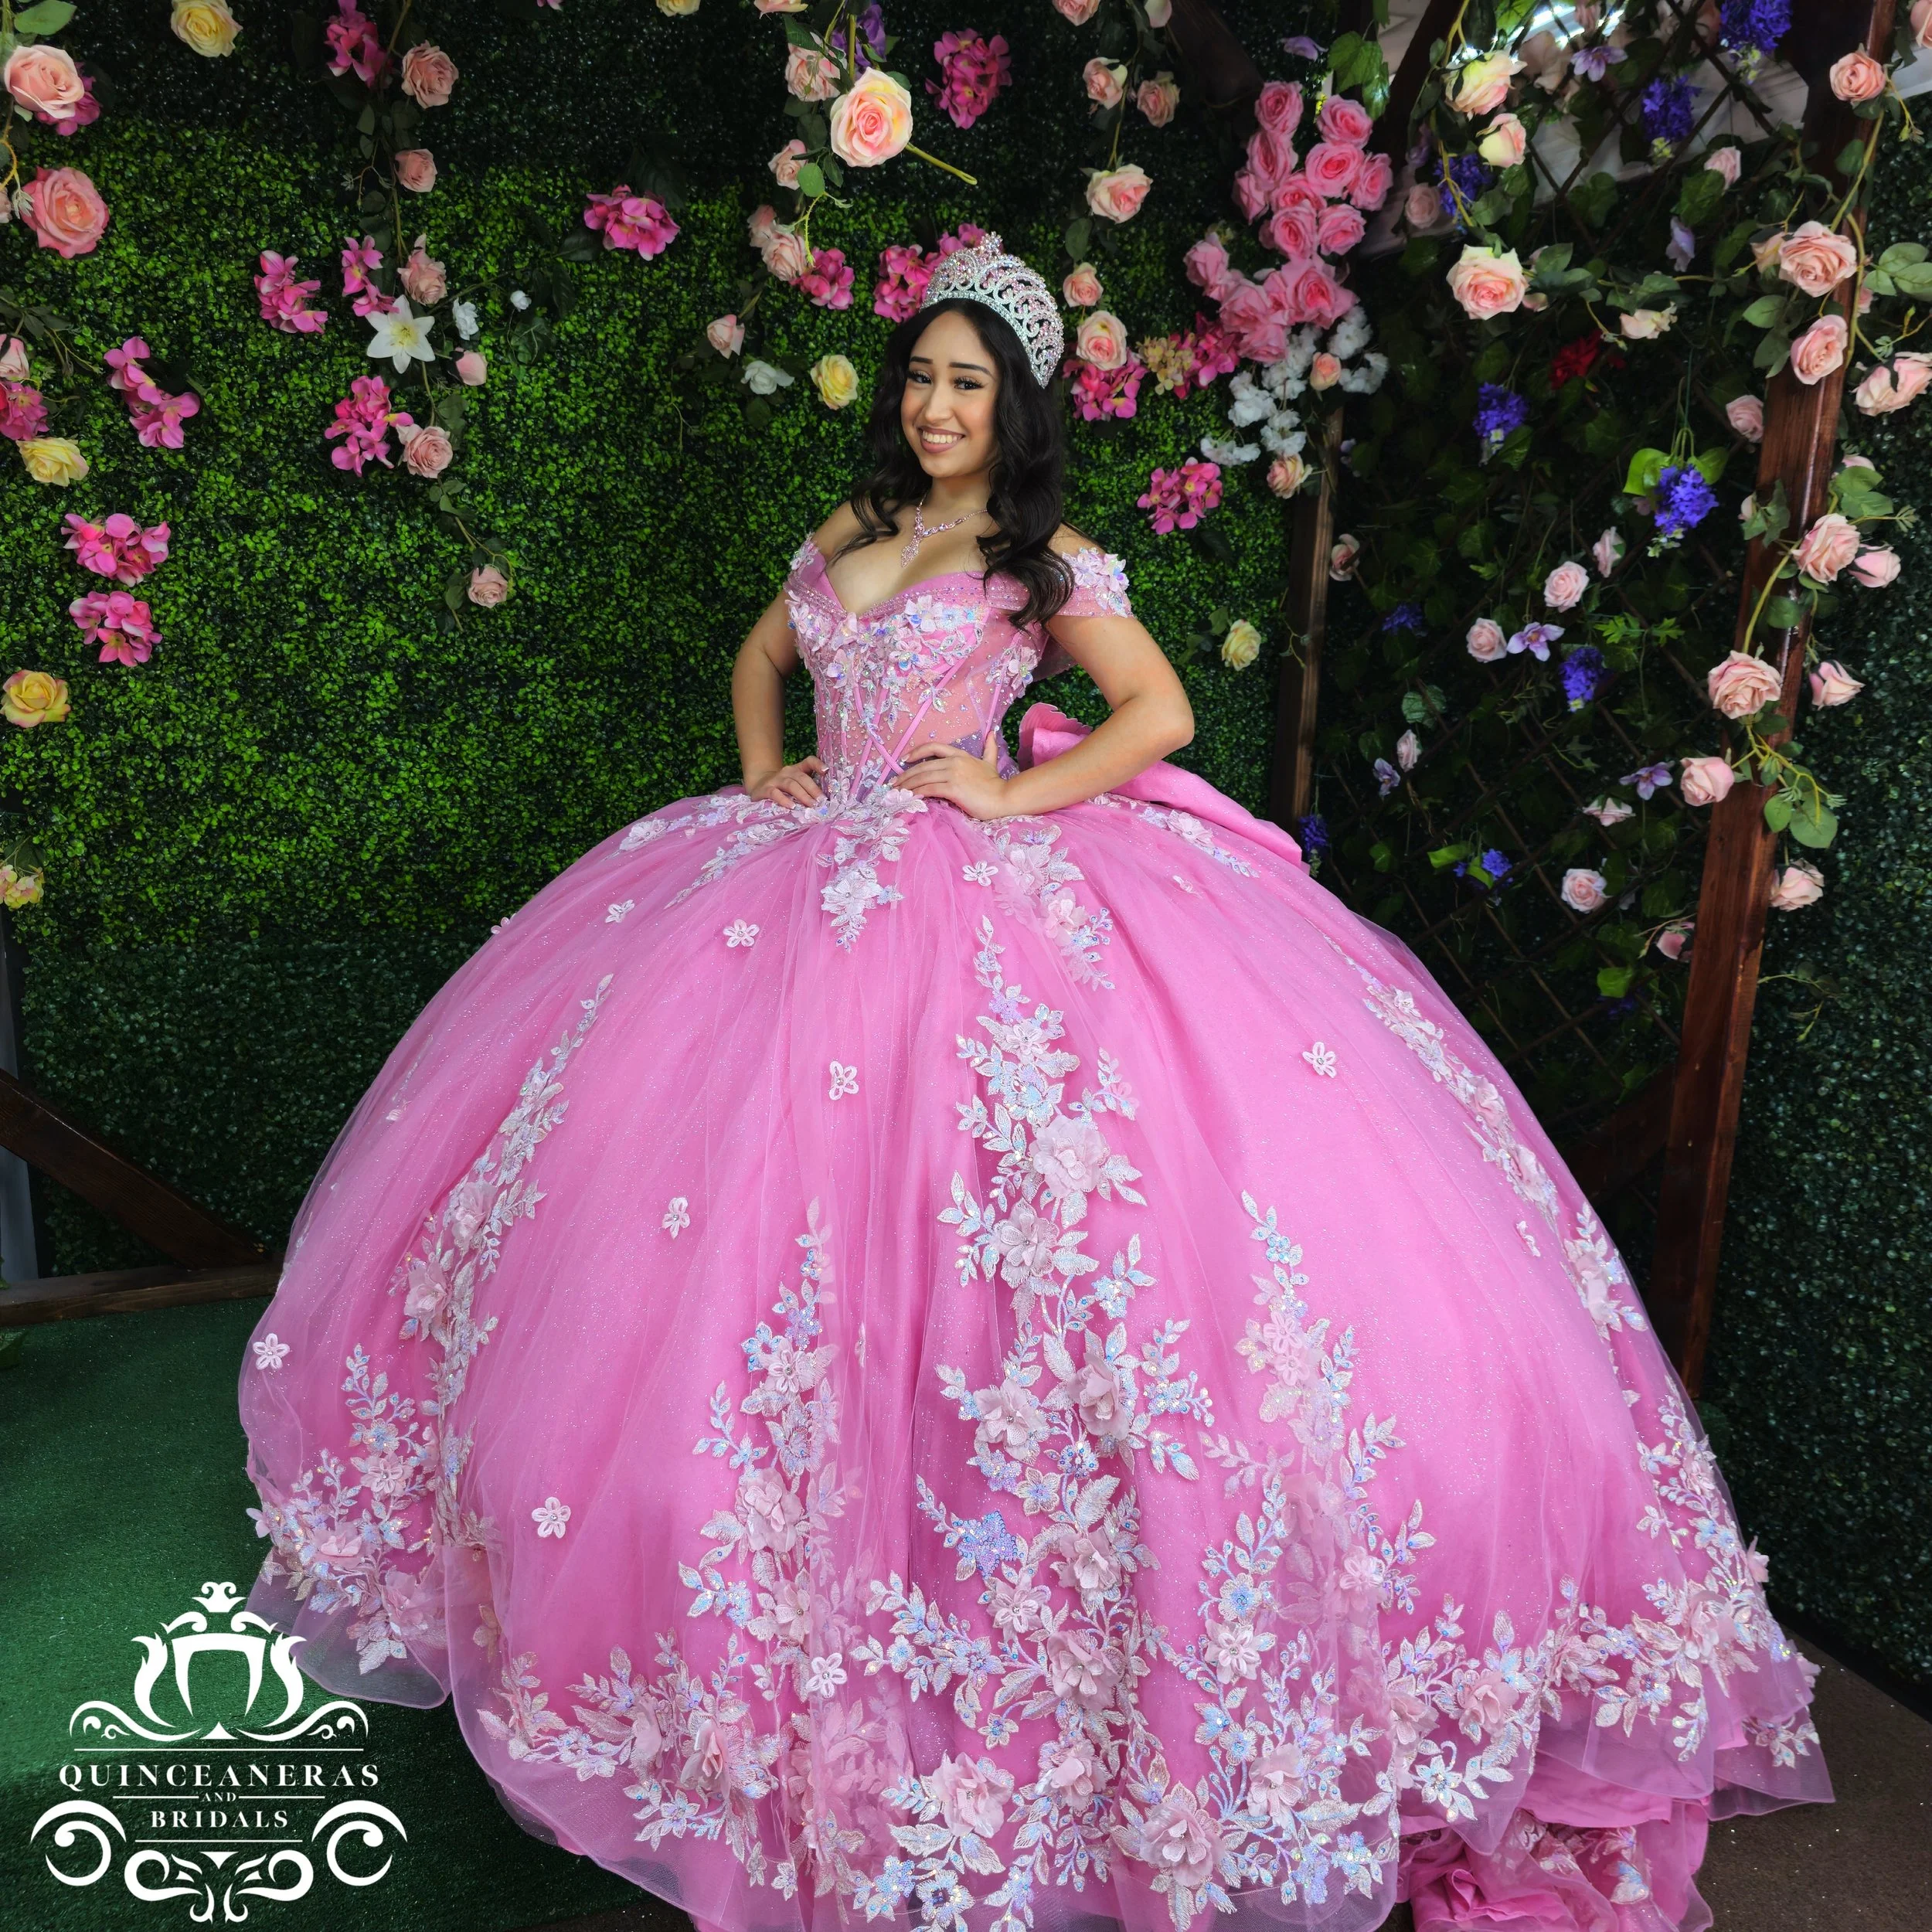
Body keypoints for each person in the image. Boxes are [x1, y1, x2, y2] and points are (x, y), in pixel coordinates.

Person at [238, 234, 1828, 1932]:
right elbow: (763, 656)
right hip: (781, 901)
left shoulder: (1039, 562)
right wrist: (767, 775)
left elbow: (1153, 710)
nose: (933, 406)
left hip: (972, 895)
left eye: (966, 383)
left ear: (1016, 406)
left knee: (1035, 1239)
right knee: (728, 1238)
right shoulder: (848, 532)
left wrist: (998, 801)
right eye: (919, 375)